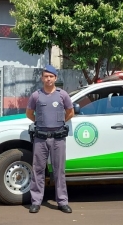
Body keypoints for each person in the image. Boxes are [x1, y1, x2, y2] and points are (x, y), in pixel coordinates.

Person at [26, 64, 74, 214]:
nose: (48, 79)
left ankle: (62, 201)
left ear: (55, 78)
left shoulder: (62, 94)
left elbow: (70, 112)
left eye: (51, 76)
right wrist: (41, 122)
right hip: (40, 138)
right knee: (38, 170)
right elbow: (29, 113)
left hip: (58, 138)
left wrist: (59, 123)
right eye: (46, 76)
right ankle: (36, 201)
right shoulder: (36, 95)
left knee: (59, 171)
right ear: (42, 78)